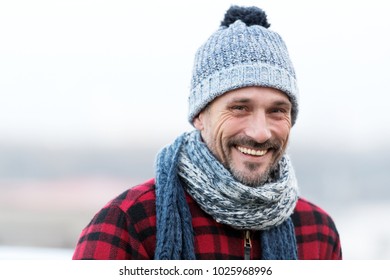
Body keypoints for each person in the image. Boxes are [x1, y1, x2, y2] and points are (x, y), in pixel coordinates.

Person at [72, 5, 342, 260]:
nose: (260, 133)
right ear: (200, 116)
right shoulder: (132, 222)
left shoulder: (317, 231)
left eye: (277, 111)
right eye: (239, 108)